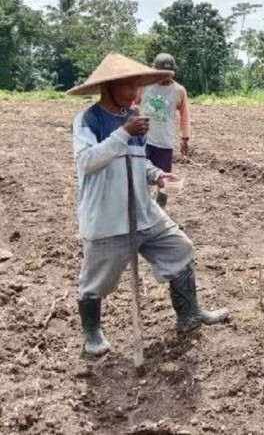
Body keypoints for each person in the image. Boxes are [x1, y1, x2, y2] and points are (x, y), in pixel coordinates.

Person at [69, 52, 228, 356]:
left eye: (136, 86)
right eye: (128, 86)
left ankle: (189, 314)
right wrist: (123, 133)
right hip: (107, 216)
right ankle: (91, 332)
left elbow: (138, 164)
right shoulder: (87, 120)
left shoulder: (134, 118)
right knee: (95, 281)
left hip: (143, 210)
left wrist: (157, 176)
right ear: (109, 86)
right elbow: (88, 162)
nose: (134, 93)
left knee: (179, 247)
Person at [136, 53, 190, 208]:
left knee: (164, 182)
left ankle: (160, 210)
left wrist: (185, 137)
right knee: (140, 175)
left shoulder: (178, 90)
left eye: (168, 74)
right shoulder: (144, 86)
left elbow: (185, 114)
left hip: (165, 143)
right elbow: (132, 103)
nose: (164, 77)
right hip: (143, 140)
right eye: (161, 74)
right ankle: (141, 208)